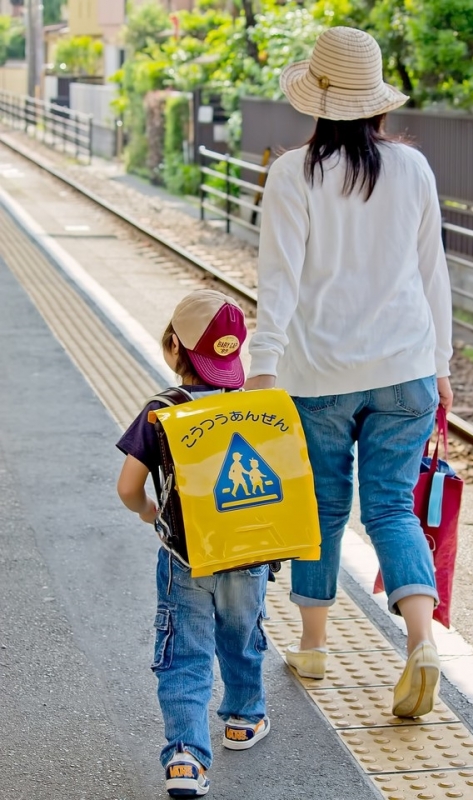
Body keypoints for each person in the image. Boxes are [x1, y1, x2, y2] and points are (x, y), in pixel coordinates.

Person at [245, 26, 453, 719]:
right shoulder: (413, 170)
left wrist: (261, 367)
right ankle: (420, 642)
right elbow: (433, 275)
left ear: (317, 101)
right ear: (375, 103)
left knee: (322, 508)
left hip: (318, 374)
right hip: (405, 368)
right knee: (391, 508)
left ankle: (312, 644)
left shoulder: (292, 173)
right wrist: (441, 365)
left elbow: (278, 281)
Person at [116, 289, 270, 798]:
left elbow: (127, 488)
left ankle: (186, 757)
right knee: (242, 634)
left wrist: (147, 512)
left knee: (185, 651)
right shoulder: (253, 408)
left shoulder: (161, 410)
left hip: (187, 556)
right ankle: (244, 719)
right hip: (248, 553)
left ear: (175, 347)